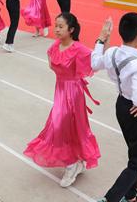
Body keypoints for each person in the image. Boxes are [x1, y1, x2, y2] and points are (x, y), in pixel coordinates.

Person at [24, 13, 100, 188]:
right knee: (62, 128)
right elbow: (52, 63)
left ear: (71, 30)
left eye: (61, 26)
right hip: (60, 91)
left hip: (73, 94)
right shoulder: (55, 46)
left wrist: (102, 39)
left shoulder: (79, 48)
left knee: (64, 126)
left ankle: (72, 164)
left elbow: (95, 62)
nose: (56, 29)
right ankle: (74, 162)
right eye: (56, 26)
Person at [89, 13, 137, 202]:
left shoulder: (113, 52)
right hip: (135, 110)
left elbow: (95, 62)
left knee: (135, 155)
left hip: (121, 105)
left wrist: (101, 38)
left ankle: (131, 198)